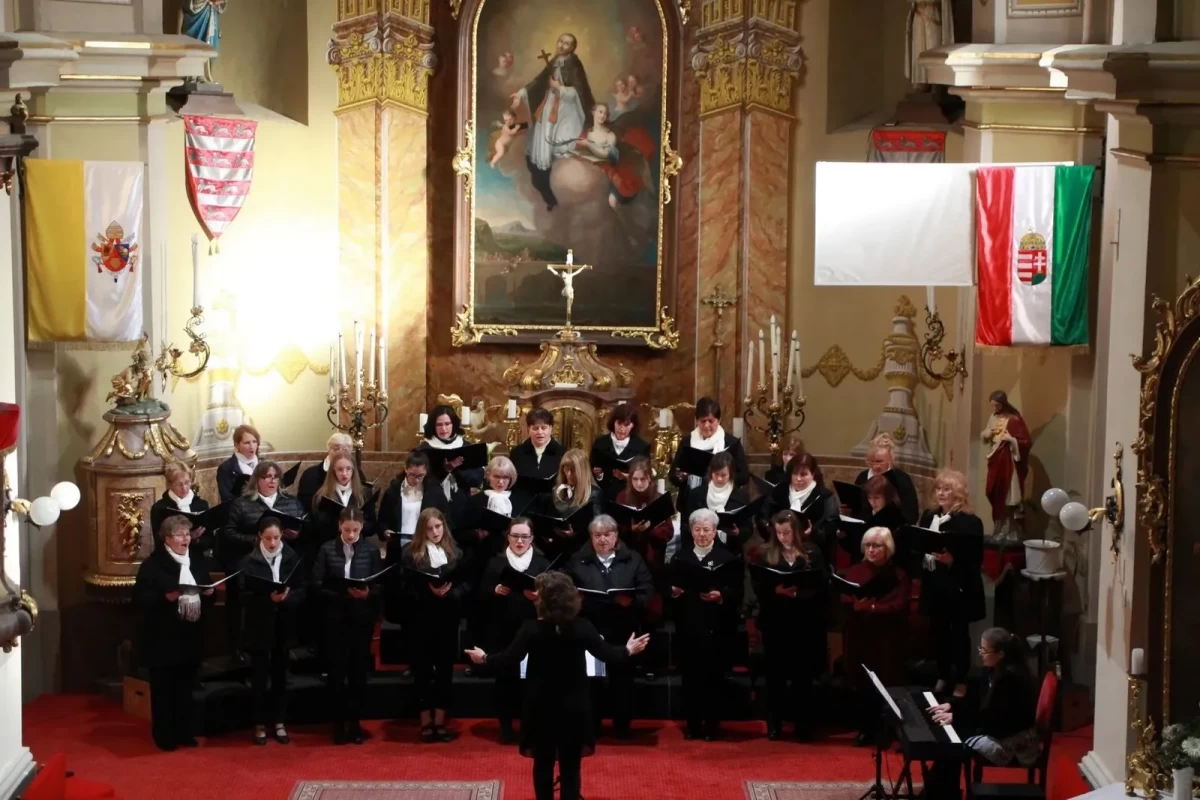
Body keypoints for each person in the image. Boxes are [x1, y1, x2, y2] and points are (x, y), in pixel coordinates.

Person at [465, 571, 649, 800]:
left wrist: (483, 658)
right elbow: (609, 655)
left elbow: (506, 660)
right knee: (571, 766)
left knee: (542, 764)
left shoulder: (530, 629)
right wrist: (628, 650)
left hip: (540, 707)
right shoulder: (582, 627)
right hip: (574, 707)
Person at [927, 628, 1040, 798]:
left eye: (984, 651)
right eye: (980, 649)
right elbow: (978, 700)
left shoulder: (1009, 678)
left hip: (1010, 736)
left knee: (953, 742)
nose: (980, 654)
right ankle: (941, 790)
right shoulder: (994, 669)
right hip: (997, 724)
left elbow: (993, 719)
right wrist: (952, 706)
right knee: (951, 739)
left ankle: (941, 792)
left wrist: (957, 718)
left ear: (1000, 654)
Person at [134, 515, 214, 751]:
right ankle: (164, 736)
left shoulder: (196, 560)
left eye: (187, 533)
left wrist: (210, 594)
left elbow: (206, 585)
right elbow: (139, 600)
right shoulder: (152, 565)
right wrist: (165, 598)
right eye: (179, 534)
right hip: (163, 637)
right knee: (164, 689)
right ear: (167, 539)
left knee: (186, 687)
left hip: (190, 634)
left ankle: (184, 732)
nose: (185, 538)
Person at [568, 515, 652, 738]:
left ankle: (622, 726)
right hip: (590, 627)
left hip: (623, 626)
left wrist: (631, 601)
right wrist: (576, 599)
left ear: (616, 536)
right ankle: (591, 725)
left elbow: (646, 591)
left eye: (607, 535)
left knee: (622, 680)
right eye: (597, 535)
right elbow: (566, 588)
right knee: (591, 680)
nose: (602, 539)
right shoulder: (578, 560)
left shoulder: (633, 559)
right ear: (591, 537)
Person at [752, 510, 828, 740]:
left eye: (787, 532)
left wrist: (797, 594)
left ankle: (802, 725)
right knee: (775, 676)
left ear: (796, 531)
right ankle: (774, 723)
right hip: (776, 623)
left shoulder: (812, 553)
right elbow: (758, 587)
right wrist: (775, 591)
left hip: (804, 623)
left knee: (802, 677)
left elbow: (822, 586)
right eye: (779, 533)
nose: (783, 537)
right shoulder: (766, 553)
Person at [670, 508, 743, 741]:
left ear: (715, 531)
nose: (702, 534)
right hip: (689, 626)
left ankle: (712, 724)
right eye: (698, 529)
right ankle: (692, 724)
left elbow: (738, 591)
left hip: (716, 627)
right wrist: (674, 592)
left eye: (707, 530)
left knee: (714, 677)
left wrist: (721, 596)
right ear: (691, 531)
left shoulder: (728, 559)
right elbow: (669, 590)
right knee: (690, 678)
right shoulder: (680, 558)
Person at [220, 461, 305, 659]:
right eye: (266, 477)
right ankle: (248, 652)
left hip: (283, 563)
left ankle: (285, 649)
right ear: (257, 480)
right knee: (257, 613)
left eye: (275, 477)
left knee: (285, 612)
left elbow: (304, 525)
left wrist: (297, 534)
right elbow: (229, 532)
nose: (272, 481)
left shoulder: (291, 502)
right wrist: (256, 540)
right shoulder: (242, 503)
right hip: (255, 564)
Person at [312, 506, 382, 745]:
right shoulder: (326, 549)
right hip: (335, 619)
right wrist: (341, 593)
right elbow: (316, 583)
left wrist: (367, 593)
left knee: (357, 673)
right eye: (347, 530)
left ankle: (354, 723)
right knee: (336, 672)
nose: (351, 535)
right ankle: (338, 723)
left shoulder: (371, 551)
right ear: (339, 526)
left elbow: (379, 585)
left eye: (355, 530)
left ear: (361, 528)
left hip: (361, 619)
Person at [479, 517, 552, 744]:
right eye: (515, 536)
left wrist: (539, 597)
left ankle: (532, 726)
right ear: (508, 537)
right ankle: (506, 726)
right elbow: (480, 594)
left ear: (532, 538)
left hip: (535, 628)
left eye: (524, 537)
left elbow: (555, 597)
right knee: (505, 679)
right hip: (503, 627)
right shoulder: (496, 563)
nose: (520, 541)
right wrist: (494, 590)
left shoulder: (542, 564)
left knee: (535, 680)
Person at [401, 508, 470, 743]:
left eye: (438, 527)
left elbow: (465, 585)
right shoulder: (410, 554)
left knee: (444, 671)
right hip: (420, 619)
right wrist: (427, 590)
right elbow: (403, 588)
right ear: (422, 530)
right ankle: (425, 722)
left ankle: (440, 722)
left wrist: (450, 593)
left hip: (447, 619)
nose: (434, 532)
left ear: (444, 526)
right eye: (429, 528)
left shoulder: (456, 553)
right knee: (422, 671)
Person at [839, 527, 912, 746]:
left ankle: (885, 731)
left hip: (886, 637)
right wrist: (856, 604)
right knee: (861, 682)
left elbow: (899, 605)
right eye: (868, 545)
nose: (871, 550)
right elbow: (844, 597)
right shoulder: (855, 571)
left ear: (888, 549)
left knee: (885, 682)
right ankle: (865, 729)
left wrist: (872, 607)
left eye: (877, 546)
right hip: (859, 634)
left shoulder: (898, 574)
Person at [509, 32, 597, 211]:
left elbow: (579, 91)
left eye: (567, 43)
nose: (562, 45)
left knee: (555, 151)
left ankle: (556, 191)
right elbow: (538, 81)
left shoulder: (574, 65)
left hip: (567, 112)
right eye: (561, 41)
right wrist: (520, 94)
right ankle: (547, 191)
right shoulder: (555, 61)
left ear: (572, 48)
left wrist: (560, 88)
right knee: (538, 149)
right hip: (549, 107)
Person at [238, 515, 305, 746]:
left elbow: (301, 590)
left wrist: (287, 598)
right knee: (259, 676)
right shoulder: (248, 561)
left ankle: (279, 721)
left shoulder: (292, 558)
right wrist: (268, 599)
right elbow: (243, 596)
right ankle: (259, 723)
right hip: (259, 625)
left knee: (280, 676)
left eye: (276, 537)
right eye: (267, 538)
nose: (273, 543)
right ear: (259, 537)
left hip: (283, 625)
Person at [920, 469, 986, 699]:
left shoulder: (970, 522)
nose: (941, 493)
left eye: (947, 489)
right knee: (938, 633)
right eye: (938, 489)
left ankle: (961, 679)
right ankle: (942, 675)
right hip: (934, 583)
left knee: (959, 635)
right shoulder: (929, 517)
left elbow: (975, 559)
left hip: (959, 586)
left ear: (958, 493)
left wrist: (952, 561)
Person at [670, 396, 749, 507]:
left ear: (719, 420)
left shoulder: (731, 443)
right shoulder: (687, 442)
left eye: (711, 421)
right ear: (697, 421)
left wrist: (723, 477)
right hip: (692, 502)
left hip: (723, 502)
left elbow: (744, 476)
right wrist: (681, 476)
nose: (706, 425)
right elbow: (673, 475)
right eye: (703, 421)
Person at [766, 452, 839, 562]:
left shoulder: (824, 496)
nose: (798, 479)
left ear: (812, 474)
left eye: (803, 474)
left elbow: (831, 528)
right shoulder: (780, 491)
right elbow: (765, 515)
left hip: (812, 553)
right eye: (795, 474)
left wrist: (812, 532)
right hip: (779, 550)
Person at [982, 390, 1032, 537]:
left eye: (997, 405)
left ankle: (1009, 531)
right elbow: (986, 435)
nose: (995, 408)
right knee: (993, 490)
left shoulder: (1014, 419)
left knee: (1007, 496)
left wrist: (1012, 440)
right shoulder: (993, 417)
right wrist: (987, 434)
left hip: (1009, 463)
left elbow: (1026, 442)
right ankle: (999, 527)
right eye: (993, 405)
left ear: (1003, 404)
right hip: (995, 458)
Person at [419, 403, 485, 515]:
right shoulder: (425, 448)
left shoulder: (466, 446)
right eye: (439, 425)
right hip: (433, 502)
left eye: (447, 424)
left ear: (453, 424)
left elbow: (477, 478)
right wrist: (444, 470)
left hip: (461, 503)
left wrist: (457, 469)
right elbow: (420, 477)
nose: (443, 428)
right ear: (433, 426)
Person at [378, 451, 449, 552]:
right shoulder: (393, 491)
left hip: (426, 548)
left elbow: (445, 520)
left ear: (426, 471)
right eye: (412, 475)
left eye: (420, 475)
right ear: (406, 469)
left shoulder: (434, 491)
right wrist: (385, 532)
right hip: (398, 548)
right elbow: (382, 521)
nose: (416, 480)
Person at [613, 456, 673, 574]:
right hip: (628, 554)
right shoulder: (622, 497)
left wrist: (650, 529)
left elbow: (669, 531)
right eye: (635, 479)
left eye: (643, 479)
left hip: (654, 558)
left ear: (649, 478)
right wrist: (630, 529)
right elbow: (615, 528)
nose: (639, 483)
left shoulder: (659, 499)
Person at [308, 452, 377, 554]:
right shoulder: (322, 495)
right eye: (340, 469)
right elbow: (318, 528)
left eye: (348, 469)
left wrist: (358, 522)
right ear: (333, 470)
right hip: (332, 550)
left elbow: (372, 528)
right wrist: (340, 523)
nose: (344, 473)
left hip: (358, 550)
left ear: (353, 470)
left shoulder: (365, 493)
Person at [682, 451, 750, 550]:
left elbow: (748, 528)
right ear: (711, 472)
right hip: (699, 549)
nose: (719, 479)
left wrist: (738, 532)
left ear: (731, 475)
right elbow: (685, 523)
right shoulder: (696, 494)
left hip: (730, 551)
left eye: (723, 475)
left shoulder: (741, 497)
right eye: (716, 474)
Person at [543, 448, 603, 560]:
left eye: (573, 470)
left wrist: (576, 534)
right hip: (556, 547)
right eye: (566, 469)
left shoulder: (594, 494)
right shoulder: (557, 491)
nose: (569, 474)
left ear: (582, 471)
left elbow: (598, 528)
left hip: (582, 549)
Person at [838, 473, 907, 565]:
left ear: (887, 497)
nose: (872, 502)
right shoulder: (865, 514)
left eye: (876, 498)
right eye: (869, 498)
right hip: (862, 563)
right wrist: (844, 536)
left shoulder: (895, 518)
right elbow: (854, 548)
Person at [851, 433, 919, 524]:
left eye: (879, 461)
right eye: (872, 461)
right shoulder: (862, 477)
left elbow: (912, 515)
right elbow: (856, 509)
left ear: (890, 459)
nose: (875, 466)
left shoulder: (902, 479)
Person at [150, 461, 213, 558]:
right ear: (170, 485)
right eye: (179, 484)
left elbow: (210, 540)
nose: (184, 488)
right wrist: (188, 537)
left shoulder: (201, 505)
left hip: (197, 558)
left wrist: (196, 540)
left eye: (187, 482)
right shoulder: (159, 508)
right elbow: (159, 543)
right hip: (170, 560)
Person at [590, 404, 650, 500]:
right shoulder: (599, 444)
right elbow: (594, 469)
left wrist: (628, 477)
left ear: (633, 425)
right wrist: (599, 475)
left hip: (632, 498)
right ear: (613, 422)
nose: (622, 428)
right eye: (619, 423)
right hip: (606, 497)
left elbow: (646, 476)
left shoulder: (642, 447)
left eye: (627, 425)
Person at [297, 433, 354, 514]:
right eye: (336, 449)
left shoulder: (357, 474)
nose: (340, 453)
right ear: (328, 449)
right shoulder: (310, 475)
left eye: (345, 450)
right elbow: (303, 507)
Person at [510, 407, 564, 480]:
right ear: (528, 429)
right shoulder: (517, 453)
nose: (540, 432)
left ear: (551, 428)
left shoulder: (562, 453)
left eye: (543, 428)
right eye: (535, 428)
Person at [216, 423, 260, 504]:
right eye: (247, 443)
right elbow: (227, 499)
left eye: (254, 442)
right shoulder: (226, 468)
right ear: (237, 445)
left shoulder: (264, 463)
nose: (252, 446)